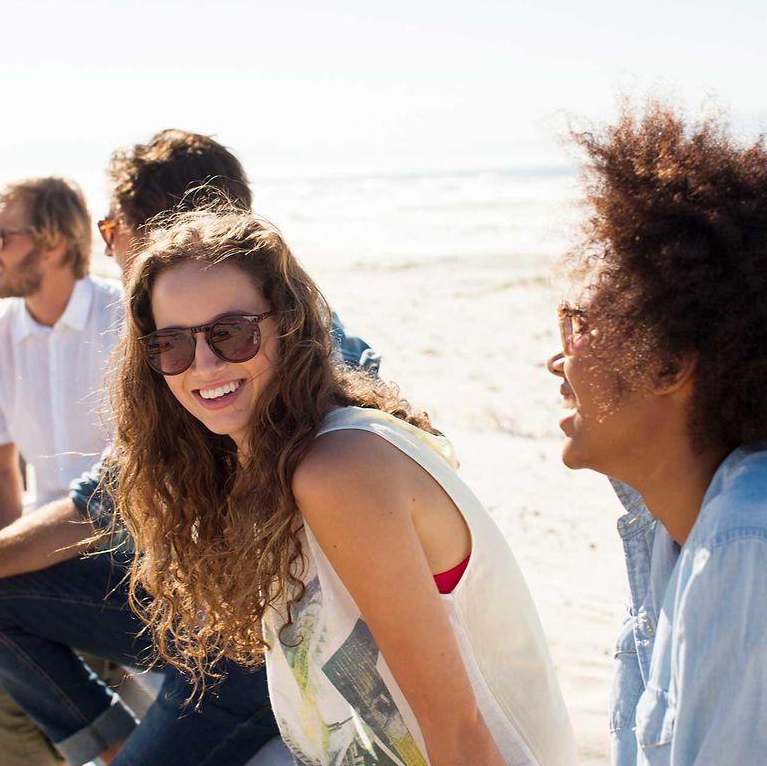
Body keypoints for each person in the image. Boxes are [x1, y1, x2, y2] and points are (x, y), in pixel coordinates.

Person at [0, 130, 375, 766]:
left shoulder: (297, 353)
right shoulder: (173, 346)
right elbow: (104, 499)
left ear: (162, 232)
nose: (108, 249)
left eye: (113, 227)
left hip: (265, 651)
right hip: (192, 610)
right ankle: (109, 742)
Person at [108, 209, 578, 765]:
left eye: (231, 334)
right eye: (172, 345)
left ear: (286, 327)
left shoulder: (339, 470)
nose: (204, 364)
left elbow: (456, 728)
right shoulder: (274, 466)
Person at [545, 104, 767, 765]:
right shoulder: (680, 529)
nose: (558, 359)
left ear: (669, 364)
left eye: (579, 326)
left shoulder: (753, 538)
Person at [0, 176, 122, 765]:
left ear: (54, 243)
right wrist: (4, 570)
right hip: (46, 548)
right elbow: (0, 472)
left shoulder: (127, 319)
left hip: (135, 552)